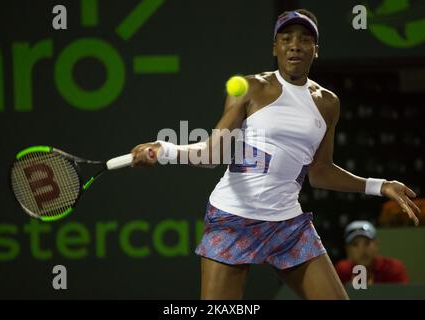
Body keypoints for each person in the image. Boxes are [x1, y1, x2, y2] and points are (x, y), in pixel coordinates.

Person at [129, 9, 421, 299]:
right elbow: (211, 153)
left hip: (288, 225)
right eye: (286, 38)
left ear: (315, 50)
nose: (295, 45)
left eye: (305, 39)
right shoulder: (250, 88)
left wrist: (379, 185)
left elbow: (320, 173)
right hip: (233, 218)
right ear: (275, 47)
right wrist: (165, 149)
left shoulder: (328, 103)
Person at [335, 221, 409, 285]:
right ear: (348, 249)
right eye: (355, 244)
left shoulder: (393, 268)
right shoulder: (342, 271)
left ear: (376, 244)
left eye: (367, 243)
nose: (362, 250)